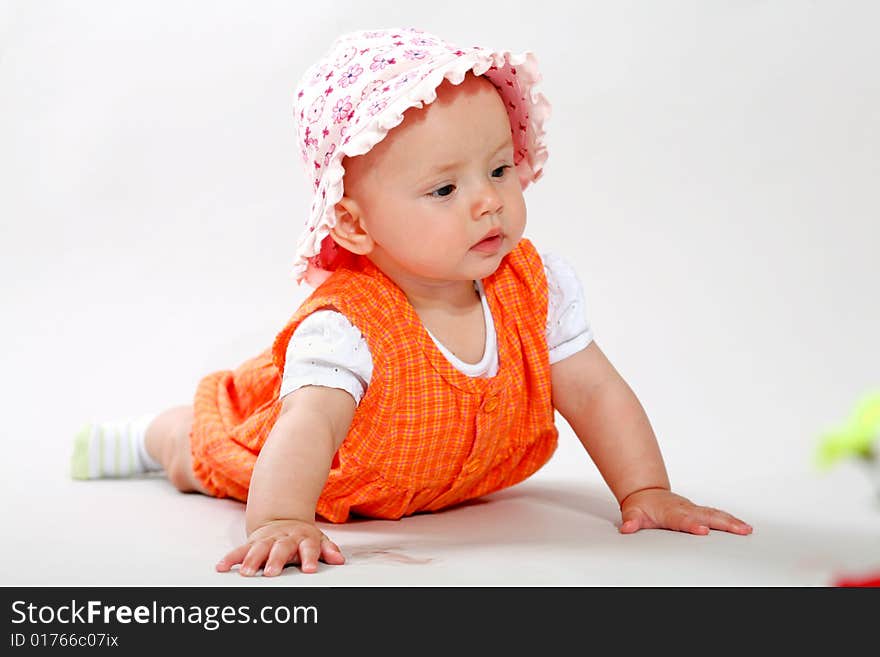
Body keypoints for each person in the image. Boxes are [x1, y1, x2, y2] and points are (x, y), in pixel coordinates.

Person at [71, 27, 752, 577]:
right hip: (301, 463)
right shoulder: (347, 330)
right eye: (444, 190)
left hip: (437, 479)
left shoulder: (534, 288)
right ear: (356, 224)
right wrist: (280, 517)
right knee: (204, 452)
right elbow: (306, 432)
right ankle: (148, 435)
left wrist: (645, 490)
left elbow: (596, 391)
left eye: (497, 168)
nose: (488, 200)